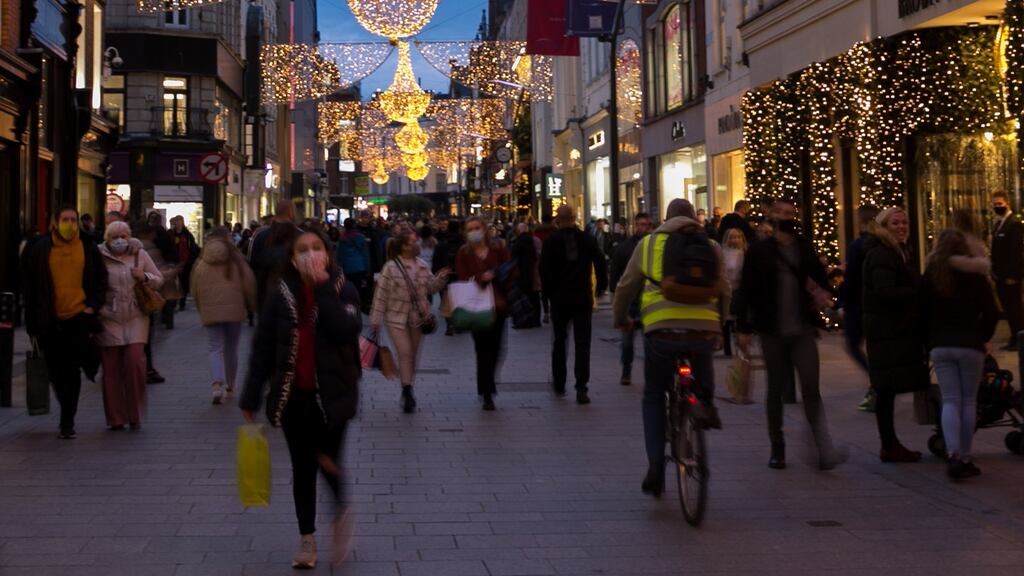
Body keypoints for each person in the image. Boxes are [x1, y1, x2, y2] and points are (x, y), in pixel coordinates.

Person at [240, 229, 362, 569]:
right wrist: (251, 394)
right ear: (292, 259)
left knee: (328, 458)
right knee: (303, 467)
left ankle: (340, 512)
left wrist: (322, 287)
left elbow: (345, 329)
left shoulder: (343, 288)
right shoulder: (279, 294)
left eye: (317, 248)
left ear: (328, 252)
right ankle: (307, 538)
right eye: (303, 250)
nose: (310, 254)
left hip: (334, 393)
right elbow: (263, 345)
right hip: (294, 394)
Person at [613, 199, 726, 496]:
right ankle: (705, 403)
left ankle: (654, 465)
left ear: (665, 219)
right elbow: (724, 289)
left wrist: (621, 318)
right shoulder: (712, 246)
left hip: (662, 330)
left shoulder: (649, 245)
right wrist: (720, 326)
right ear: (693, 219)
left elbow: (626, 287)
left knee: (653, 394)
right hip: (703, 328)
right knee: (701, 359)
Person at [734, 198, 845, 471]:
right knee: (775, 389)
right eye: (780, 213)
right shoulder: (760, 251)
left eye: (790, 213)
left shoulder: (804, 247)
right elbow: (746, 289)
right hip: (772, 330)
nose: (786, 217)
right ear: (770, 216)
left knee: (811, 387)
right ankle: (777, 446)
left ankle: (822, 446)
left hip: (802, 330)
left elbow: (820, 279)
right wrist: (744, 328)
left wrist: (828, 290)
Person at [21, 206, 108, 439]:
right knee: (55, 371)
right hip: (49, 320)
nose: (69, 224)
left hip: (79, 318)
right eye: (65, 220)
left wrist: (91, 306)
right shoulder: (39, 248)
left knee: (72, 371)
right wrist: (32, 323)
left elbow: (101, 280)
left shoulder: (88, 247)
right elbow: (29, 287)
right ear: (54, 222)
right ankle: (65, 408)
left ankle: (67, 420)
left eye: (73, 220)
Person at [920, 229, 999, 480]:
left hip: (941, 345)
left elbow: (920, 312)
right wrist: (984, 337)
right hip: (970, 345)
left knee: (951, 399)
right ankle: (965, 456)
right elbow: (992, 312)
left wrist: (928, 341)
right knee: (969, 401)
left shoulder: (932, 275)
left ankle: (952, 453)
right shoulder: (976, 277)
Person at [862, 207, 926, 463]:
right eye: (895, 223)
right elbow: (885, 292)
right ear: (883, 227)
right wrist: (917, 291)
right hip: (887, 330)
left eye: (904, 222)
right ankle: (889, 445)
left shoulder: (896, 252)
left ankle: (890, 444)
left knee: (887, 388)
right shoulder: (882, 254)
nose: (901, 227)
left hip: (891, 329)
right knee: (886, 389)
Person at [370, 230, 449, 413]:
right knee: (405, 352)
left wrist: (440, 279)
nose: (415, 245)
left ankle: (408, 387)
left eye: (416, 241)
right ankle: (407, 391)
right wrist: (376, 318)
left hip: (418, 317)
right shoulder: (390, 267)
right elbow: (381, 295)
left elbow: (430, 288)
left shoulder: (422, 265)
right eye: (411, 242)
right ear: (403, 246)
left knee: (413, 354)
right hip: (395, 316)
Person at [96, 221, 161, 430]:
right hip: (109, 317)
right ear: (107, 239)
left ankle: (135, 413)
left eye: (123, 235)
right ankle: (116, 418)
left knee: (135, 363)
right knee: (111, 370)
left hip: (136, 316)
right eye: (114, 237)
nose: (119, 240)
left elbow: (158, 279)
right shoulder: (98, 257)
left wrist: (145, 276)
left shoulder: (139, 254)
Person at [540, 205, 607, 405]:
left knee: (559, 342)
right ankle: (581, 388)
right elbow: (600, 261)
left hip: (560, 299)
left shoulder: (551, 241)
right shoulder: (586, 238)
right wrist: (601, 286)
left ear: (558, 220)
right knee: (582, 344)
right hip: (581, 298)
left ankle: (559, 384)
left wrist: (547, 297)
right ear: (575, 217)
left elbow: (544, 270)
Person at [192, 227, 256, 404]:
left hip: (211, 311)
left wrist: (201, 309)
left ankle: (216, 385)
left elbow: (195, 289)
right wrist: (252, 306)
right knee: (231, 349)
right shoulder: (237, 261)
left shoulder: (202, 263)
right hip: (235, 311)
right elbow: (249, 283)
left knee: (215, 348)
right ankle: (231, 384)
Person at [456, 217, 511, 410]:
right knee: (482, 349)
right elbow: (462, 278)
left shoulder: (498, 249)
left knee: (497, 349)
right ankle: (486, 392)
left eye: (477, 228)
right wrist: (481, 278)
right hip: (476, 308)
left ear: (485, 229)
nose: (474, 232)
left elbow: (511, 269)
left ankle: (489, 381)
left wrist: (498, 274)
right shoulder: (464, 253)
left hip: (498, 305)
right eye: (470, 229)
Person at [842, 204, 880, 412]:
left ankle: (877, 384)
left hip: (859, 304)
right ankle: (877, 383)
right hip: (875, 304)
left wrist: (845, 303)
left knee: (853, 344)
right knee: (872, 346)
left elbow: (852, 278)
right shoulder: (882, 243)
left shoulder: (858, 245)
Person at [609, 212, 653, 386]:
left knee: (650, 343)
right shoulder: (625, 247)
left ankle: (651, 373)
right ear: (635, 225)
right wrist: (615, 296)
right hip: (630, 303)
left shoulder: (655, 246)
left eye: (648, 225)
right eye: (641, 224)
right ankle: (626, 370)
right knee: (627, 343)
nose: (644, 228)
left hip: (649, 302)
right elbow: (615, 273)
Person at [249, 199, 301, 309]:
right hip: (294, 294)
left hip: (265, 293)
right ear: (291, 212)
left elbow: (252, 265)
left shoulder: (260, 236)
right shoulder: (300, 236)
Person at [990, 191, 1023, 350]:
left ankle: (1019, 339)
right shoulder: (999, 224)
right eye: (995, 204)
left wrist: (1013, 274)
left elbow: (1015, 251)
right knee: (1008, 308)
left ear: (1007, 203)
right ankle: (1013, 337)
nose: (997, 207)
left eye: (1000, 204)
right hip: (1000, 275)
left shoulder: (1014, 223)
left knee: (1014, 308)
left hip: (1010, 276)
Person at [721, 228, 747, 357]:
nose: (735, 240)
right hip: (727, 288)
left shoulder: (745, 253)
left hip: (740, 289)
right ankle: (727, 348)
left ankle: (740, 346)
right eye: (732, 237)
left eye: (737, 237)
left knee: (739, 318)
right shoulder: (722, 253)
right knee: (726, 320)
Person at [510, 222, 542, 329]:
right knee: (535, 297)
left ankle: (525, 320)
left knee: (524, 298)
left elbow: (513, 259)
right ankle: (536, 320)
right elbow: (539, 255)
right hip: (534, 272)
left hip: (521, 274)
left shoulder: (517, 242)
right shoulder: (535, 241)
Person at [335, 218, 372, 310]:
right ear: (354, 225)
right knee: (359, 287)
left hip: (347, 268)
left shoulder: (342, 239)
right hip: (359, 267)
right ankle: (358, 304)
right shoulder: (360, 237)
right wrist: (367, 269)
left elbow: (339, 255)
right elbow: (365, 254)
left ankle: (350, 304)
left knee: (347, 287)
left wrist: (339, 268)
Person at [169, 215, 199, 311]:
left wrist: (191, 259)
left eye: (179, 221)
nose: (177, 223)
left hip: (186, 262)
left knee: (184, 282)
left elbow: (192, 248)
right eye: (176, 221)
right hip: (174, 262)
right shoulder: (171, 234)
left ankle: (182, 301)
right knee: (173, 283)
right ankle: (174, 302)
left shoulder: (187, 235)